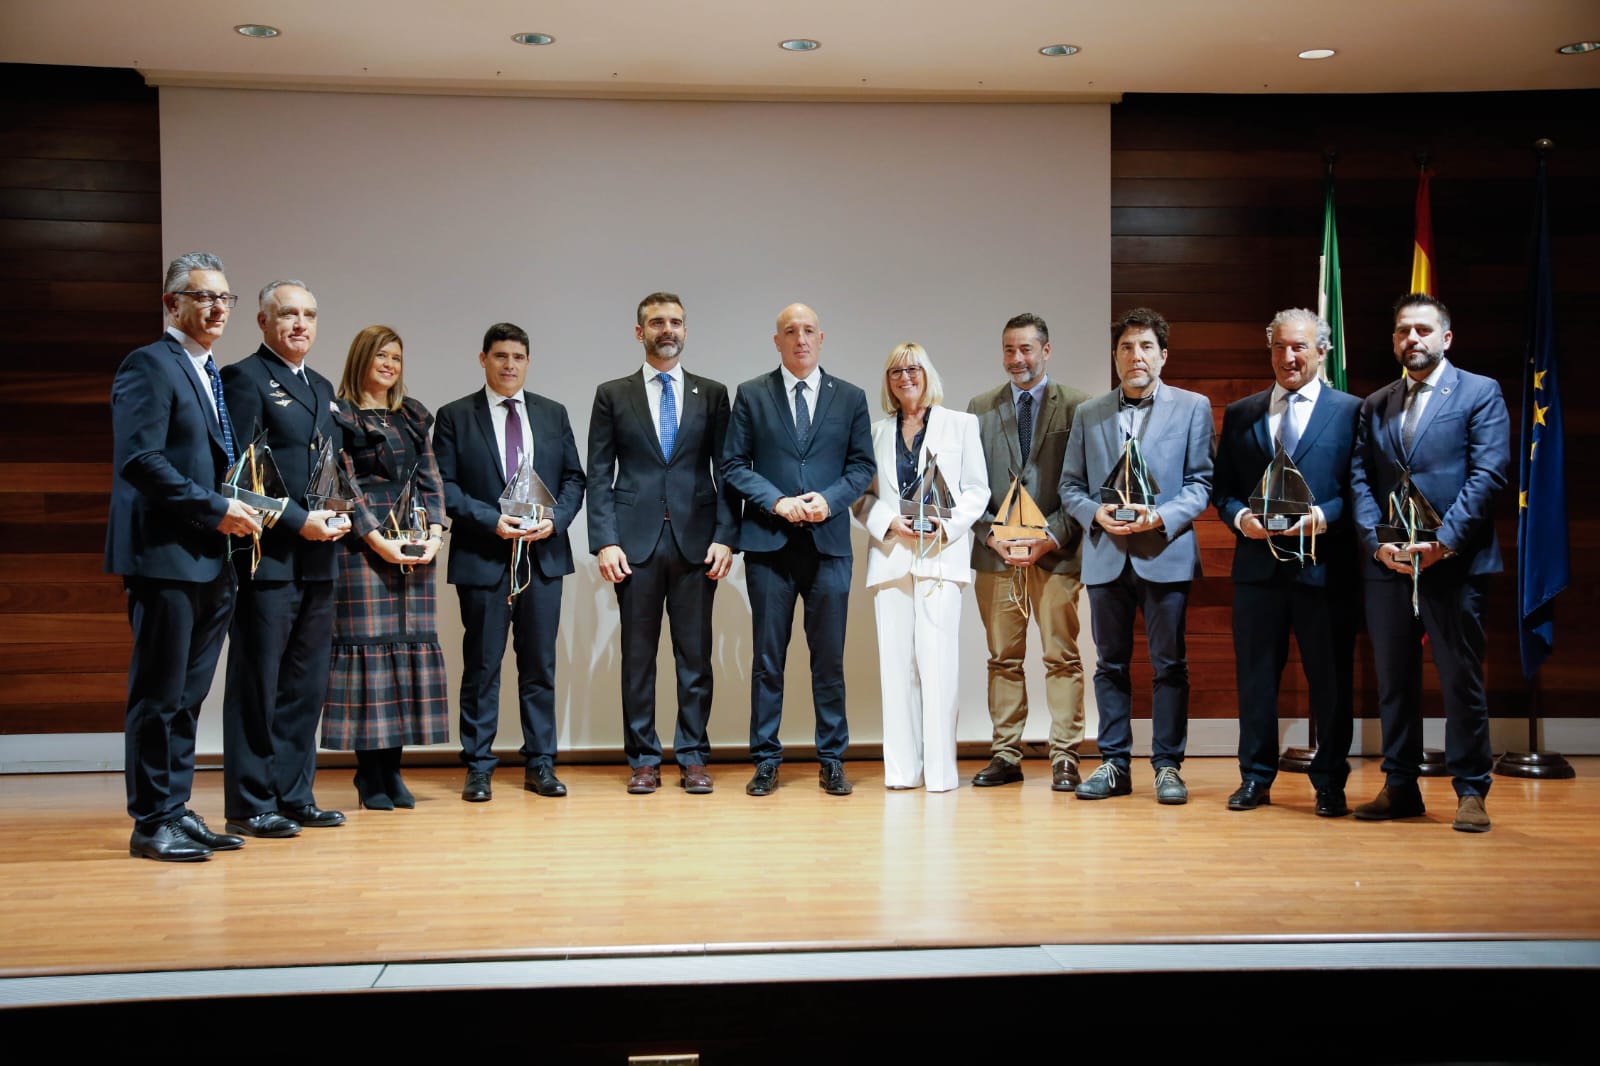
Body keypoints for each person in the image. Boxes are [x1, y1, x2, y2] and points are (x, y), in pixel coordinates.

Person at [107, 251, 262, 861]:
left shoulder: (207, 370)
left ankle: (175, 808)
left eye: (224, 297)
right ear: (172, 304)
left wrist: (236, 508)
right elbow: (140, 460)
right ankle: (151, 822)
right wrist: (214, 508)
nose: (217, 307)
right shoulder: (149, 364)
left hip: (209, 558)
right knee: (158, 695)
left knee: (188, 696)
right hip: (164, 557)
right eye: (203, 297)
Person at [1351, 293, 1510, 832]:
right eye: (1402, 331)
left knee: (1459, 678)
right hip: (1389, 564)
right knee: (1394, 681)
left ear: (1446, 338)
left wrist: (1444, 541)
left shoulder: (1479, 393)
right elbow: (1360, 480)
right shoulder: (1375, 403)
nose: (1410, 339)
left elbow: (1488, 474)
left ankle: (1471, 790)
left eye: (1422, 330)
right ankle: (1400, 786)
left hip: (1454, 564)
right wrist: (1377, 542)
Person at [1061, 307, 1214, 805]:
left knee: (1170, 664)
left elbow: (1199, 484)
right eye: (1127, 347)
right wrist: (1094, 515)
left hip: (1164, 551)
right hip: (1106, 556)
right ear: (1115, 356)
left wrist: (1162, 517)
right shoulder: (1089, 413)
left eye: (1146, 346)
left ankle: (1168, 766)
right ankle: (1114, 764)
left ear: (1163, 355)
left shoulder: (1192, 407)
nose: (1136, 355)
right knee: (1110, 665)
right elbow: (1070, 487)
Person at [587, 293, 737, 794]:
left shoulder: (712, 394)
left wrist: (726, 538)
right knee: (638, 659)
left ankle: (693, 756)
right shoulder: (613, 394)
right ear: (639, 332)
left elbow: (728, 471)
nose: (666, 329)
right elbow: (598, 474)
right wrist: (604, 541)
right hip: (634, 546)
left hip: (697, 544)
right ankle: (644, 760)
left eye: (674, 321)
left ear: (686, 331)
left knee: (694, 658)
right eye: (656, 322)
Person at [722, 303, 875, 797]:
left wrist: (828, 501)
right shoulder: (751, 395)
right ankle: (766, 759)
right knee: (768, 659)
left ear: (822, 338)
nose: (800, 339)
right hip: (770, 545)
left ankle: (831, 759)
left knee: (827, 660)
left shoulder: (850, 397)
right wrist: (778, 501)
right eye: (791, 331)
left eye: (808, 331)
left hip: (828, 547)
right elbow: (733, 464)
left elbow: (860, 467)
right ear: (777, 341)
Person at [1212, 309, 1360, 816]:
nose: (1288, 356)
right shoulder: (1242, 413)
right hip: (1257, 571)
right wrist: (1238, 519)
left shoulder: (1352, 411)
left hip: (1326, 570)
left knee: (1332, 682)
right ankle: (1255, 777)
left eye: (1299, 347)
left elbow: (1361, 493)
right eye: (1278, 346)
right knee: (1255, 680)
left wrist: (1321, 516)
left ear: (1323, 351)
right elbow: (1224, 491)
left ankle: (1330, 783)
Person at [434, 322, 585, 802]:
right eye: (500, 356)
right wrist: (491, 519)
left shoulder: (552, 413)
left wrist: (556, 522)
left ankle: (541, 762)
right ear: (483, 359)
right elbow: (445, 488)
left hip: (542, 557)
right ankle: (479, 765)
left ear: (527, 361)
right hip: (484, 557)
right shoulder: (455, 416)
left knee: (539, 666)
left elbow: (574, 481)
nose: (509, 365)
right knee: (482, 667)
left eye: (518, 357)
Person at [219, 279, 348, 838]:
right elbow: (235, 480)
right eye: (288, 314)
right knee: (258, 685)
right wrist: (298, 520)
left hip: (320, 560)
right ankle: (250, 802)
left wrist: (339, 515)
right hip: (266, 560)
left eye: (309, 315)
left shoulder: (320, 385)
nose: (300, 324)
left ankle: (294, 794)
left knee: (304, 686)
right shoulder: (243, 379)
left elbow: (326, 470)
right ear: (264, 322)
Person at [318, 326, 450, 810]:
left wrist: (434, 535)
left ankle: (393, 773)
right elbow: (344, 483)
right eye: (381, 356)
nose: (390, 364)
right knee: (368, 661)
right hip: (361, 547)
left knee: (403, 656)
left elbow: (431, 476)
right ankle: (368, 776)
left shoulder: (412, 414)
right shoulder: (340, 414)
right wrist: (375, 539)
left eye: (396, 356)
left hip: (412, 544)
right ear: (361, 360)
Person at [852, 343, 988, 791]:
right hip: (891, 559)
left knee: (939, 666)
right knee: (895, 670)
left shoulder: (961, 425)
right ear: (887, 382)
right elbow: (861, 496)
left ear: (928, 373)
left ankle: (941, 773)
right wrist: (889, 522)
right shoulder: (873, 432)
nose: (905, 377)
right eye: (895, 371)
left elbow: (976, 491)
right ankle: (903, 772)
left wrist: (942, 528)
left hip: (940, 560)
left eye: (913, 369)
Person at [966, 313, 1090, 792]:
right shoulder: (978, 408)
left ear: (1046, 350)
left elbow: (1082, 483)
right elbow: (966, 488)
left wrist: (1051, 537)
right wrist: (990, 535)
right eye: (1009, 350)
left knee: (1061, 657)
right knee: (1002, 658)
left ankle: (1065, 756)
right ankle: (1005, 754)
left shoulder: (1079, 406)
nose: (1017, 360)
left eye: (1026, 350)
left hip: (1055, 554)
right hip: (996, 556)